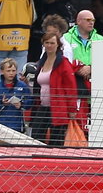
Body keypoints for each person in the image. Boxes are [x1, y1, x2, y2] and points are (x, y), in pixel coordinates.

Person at [29, 18, 85, 147]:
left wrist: (72, 109)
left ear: (58, 44)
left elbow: (70, 87)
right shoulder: (41, 62)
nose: (49, 45)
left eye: (52, 43)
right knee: (36, 138)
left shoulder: (64, 63)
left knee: (56, 142)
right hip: (42, 106)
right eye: (47, 42)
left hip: (59, 108)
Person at [0, 59, 31, 133]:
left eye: (13, 71)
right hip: (2, 126)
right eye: (8, 71)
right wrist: (2, 103)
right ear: (2, 71)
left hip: (18, 126)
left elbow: (30, 101)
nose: (11, 73)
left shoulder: (23, 86)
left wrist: (21, 104)